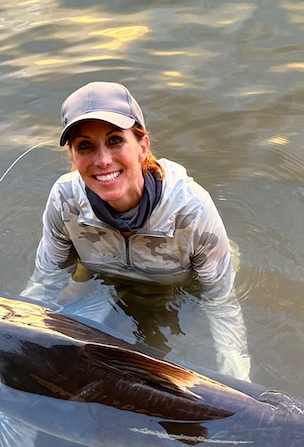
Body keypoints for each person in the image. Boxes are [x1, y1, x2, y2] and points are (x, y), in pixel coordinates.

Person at [21, 81, 251, 381]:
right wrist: (12, 341)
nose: (102, 160)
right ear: (73, 156)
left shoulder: (192, 208)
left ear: (142, 147)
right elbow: (46, 280)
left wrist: (239, 385)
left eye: (115, 140)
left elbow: (221, 306)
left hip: (182, 287)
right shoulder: (64, 200)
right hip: (105, 279)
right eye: (85, 146)